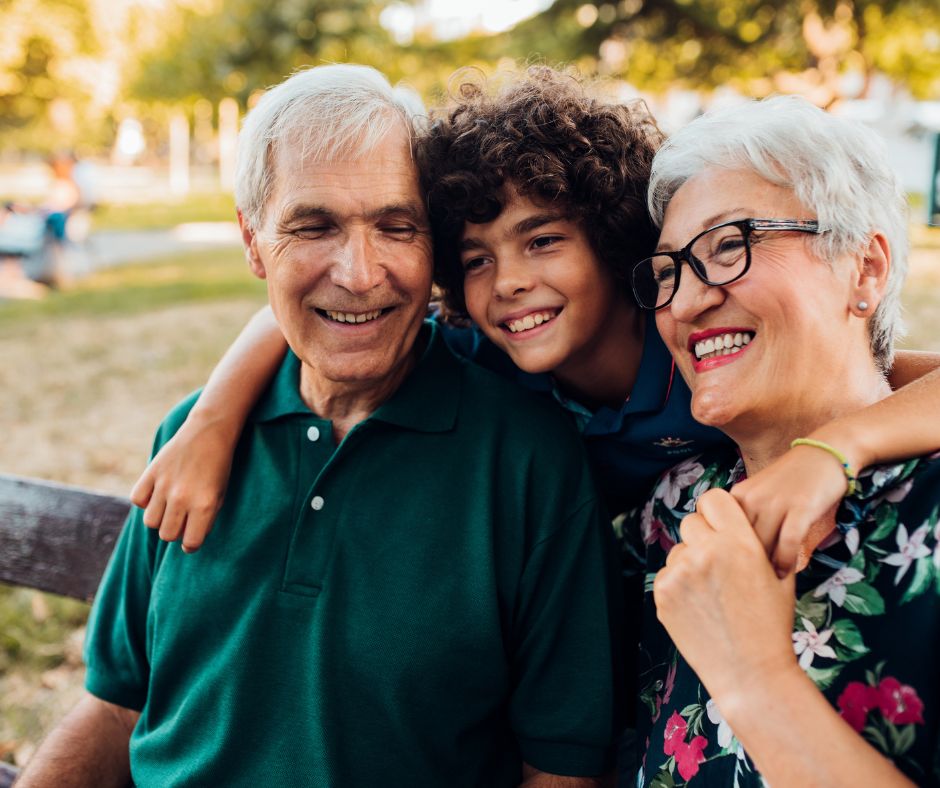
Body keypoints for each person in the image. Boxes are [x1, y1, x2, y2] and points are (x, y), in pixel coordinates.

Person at [18, 65, 623, 788]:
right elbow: (114, 707)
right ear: (252, 242)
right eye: (314, 227)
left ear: (433, 247)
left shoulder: (528, 461)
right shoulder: (193, 437)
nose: (361, 273)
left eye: (397, 227)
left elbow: (561, 768)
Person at [132, 66, 940, 580]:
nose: (511, 283)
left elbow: (900, 378)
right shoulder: (481, 350)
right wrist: (209, 421)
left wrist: (838, 448)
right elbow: (299, 310)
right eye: (476, 258)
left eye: (544, 240)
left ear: (611, 236)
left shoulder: (696, 342)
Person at [631, 95, 940, 786]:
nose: (683, 304)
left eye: (729, 245)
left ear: (864, 269)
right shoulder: (669, 509)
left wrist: (755, 679)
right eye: (665, 273)